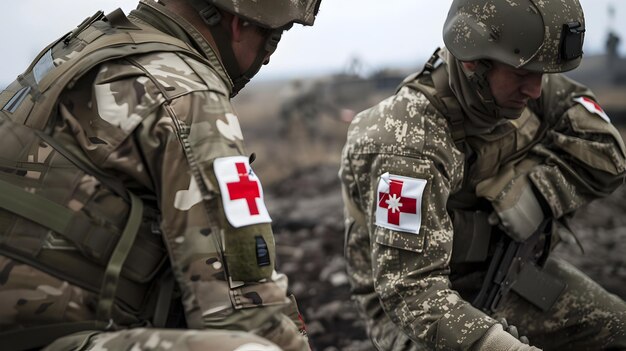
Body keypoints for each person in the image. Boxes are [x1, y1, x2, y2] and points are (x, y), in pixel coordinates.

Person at [0, 0, 321, 350]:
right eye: (273, 38)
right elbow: (244, 309)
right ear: (237, 24)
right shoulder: (187, 93)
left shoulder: (78, 49)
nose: (268, 57)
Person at [339, 0, 626, 350]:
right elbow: (410, 293)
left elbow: (608, 153)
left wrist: (534, 193)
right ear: (473, 61)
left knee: (616, 328)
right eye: (523, 76)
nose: (535, 91)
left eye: (541, 75)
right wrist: (498, 344)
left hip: (506, 272)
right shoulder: (406, 138)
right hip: (413, 312)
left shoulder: (522, 81)